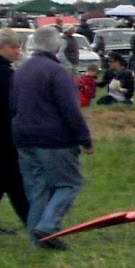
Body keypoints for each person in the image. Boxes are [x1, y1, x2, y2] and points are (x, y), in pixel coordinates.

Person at [10, 25, 94, 249]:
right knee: (69, 183)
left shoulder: (21, 71)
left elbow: (13, 105)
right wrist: (84, 139)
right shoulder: (56, 72)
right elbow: (71, 109)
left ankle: (37, 242)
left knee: (38, 189)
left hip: (23, 137)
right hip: (53, 139)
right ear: (57, 46)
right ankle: (48, 227)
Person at [0, 28, 31, 234]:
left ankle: (32, 220)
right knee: (14, 179)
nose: (18, 50)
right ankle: (33, 222)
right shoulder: (4, 74)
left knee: (9, 180)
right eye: (13, 46)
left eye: (19, 45)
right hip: (4, 134)